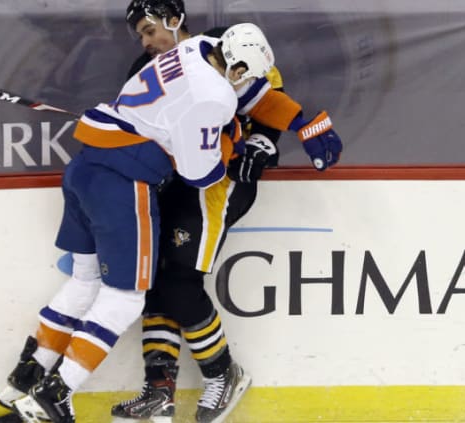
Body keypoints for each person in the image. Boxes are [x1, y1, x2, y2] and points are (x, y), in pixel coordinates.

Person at [0, 21, 288, 423]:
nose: (243, 88)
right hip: (124, 183)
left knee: (87, 281)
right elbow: (199, 173)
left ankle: (27, 375)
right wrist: (231, 138)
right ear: (237, 69)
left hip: (84, 168)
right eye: (245, 78)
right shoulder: (216, 94)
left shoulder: (196, 47)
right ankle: (55, 395)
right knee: (127, 297)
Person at [110, 1, 344, 423]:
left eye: (149, 30)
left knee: (179, 279)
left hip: (217, 186)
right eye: (140, 36)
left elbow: (262, 95)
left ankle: (222, 375)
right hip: (185, 180)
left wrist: (268, 141)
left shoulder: (220, 47)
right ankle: (159, 389)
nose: (146, 42)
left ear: (173, 18)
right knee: (159, 279)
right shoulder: (152, 69)